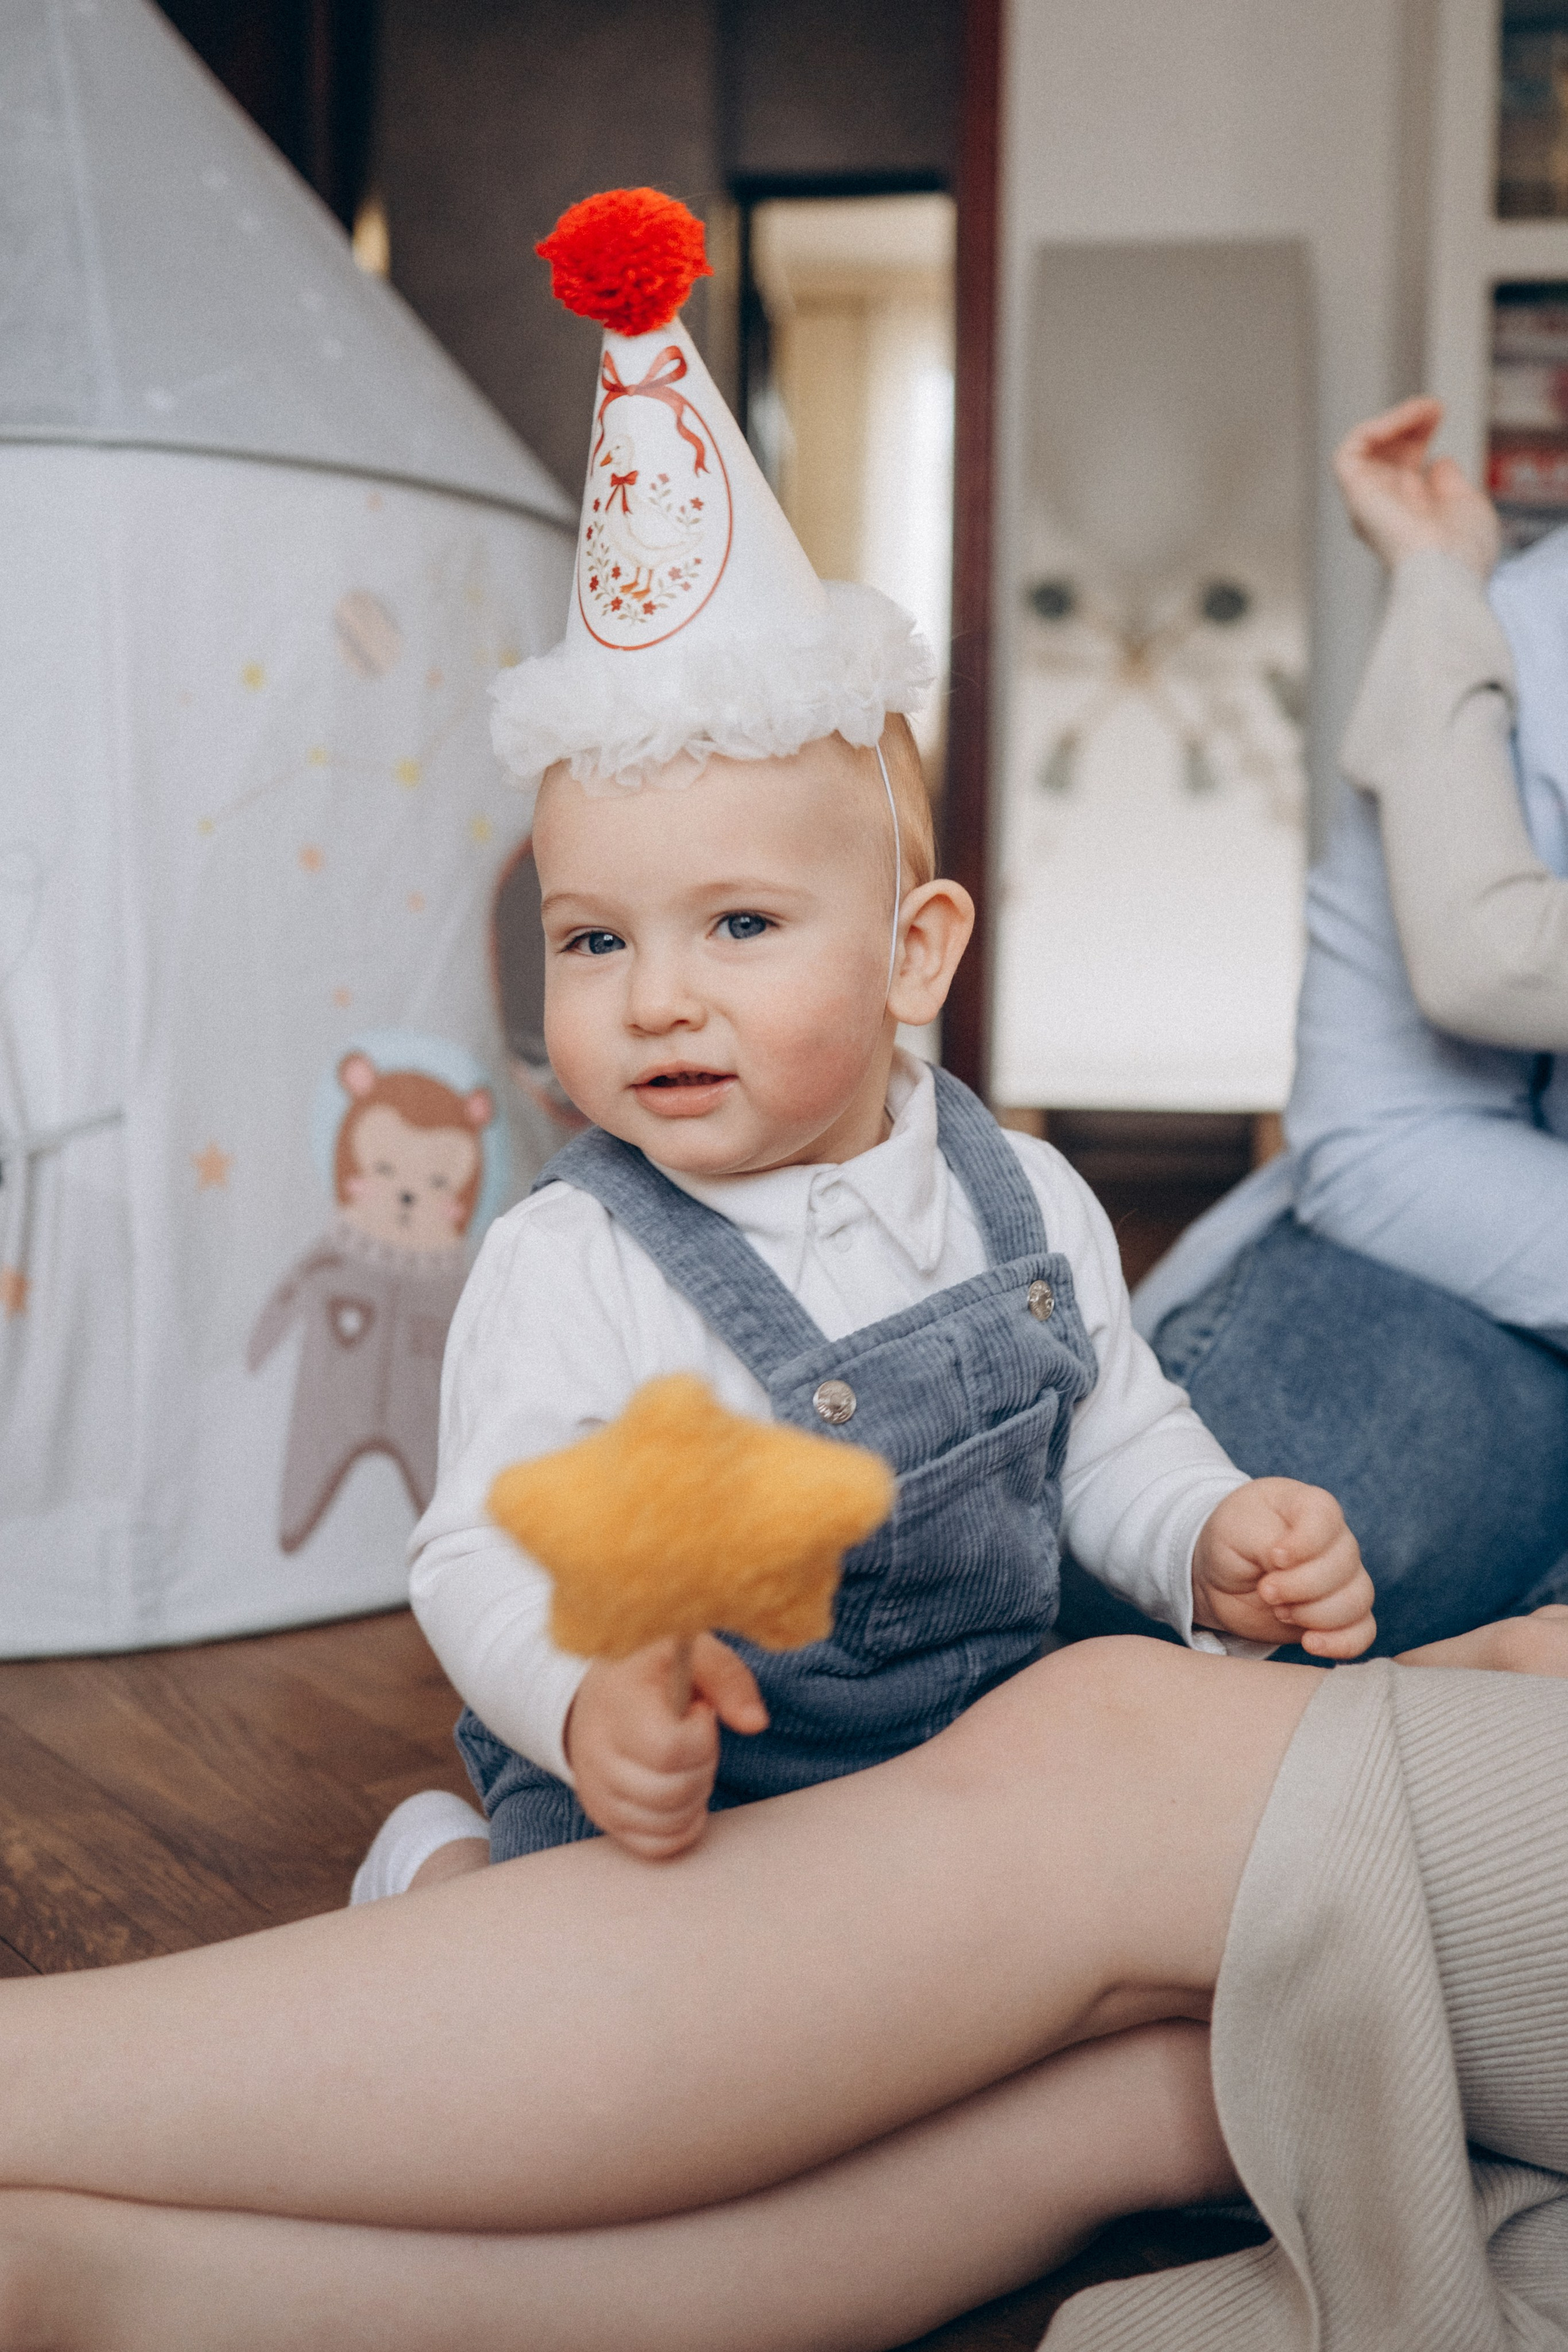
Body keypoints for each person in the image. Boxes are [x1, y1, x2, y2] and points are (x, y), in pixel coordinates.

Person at [368, 192, 1373, 1889]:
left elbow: (1110, 1440)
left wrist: (1207, 1537)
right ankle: (440, 1876)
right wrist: (583, 1699)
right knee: (611, 2020)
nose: (657, 996)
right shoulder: (574, 1263)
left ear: (917, 956)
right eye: (595, 941)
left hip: (969, 1790)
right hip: (680, 1811)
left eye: (740, 926)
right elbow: (483, 1548)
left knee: (1177, 1905)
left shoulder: (1026, 1203)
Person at [1065, 398, 1568, 1660]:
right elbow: (1388, 1121)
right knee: (1259, 1541)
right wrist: (1439, 585)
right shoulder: (1496, 639)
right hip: (1457, 1263)